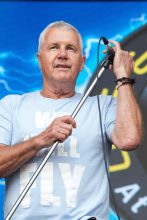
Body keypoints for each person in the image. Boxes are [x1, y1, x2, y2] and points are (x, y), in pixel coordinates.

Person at [0, 21, 143, 220]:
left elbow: (129, 139)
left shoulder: (103, 106)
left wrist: (123, 76)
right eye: (53, 47)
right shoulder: (11, 106)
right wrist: (41, 139)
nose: (62, 55)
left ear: (82, 61)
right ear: (39, 59)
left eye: (71, 48)